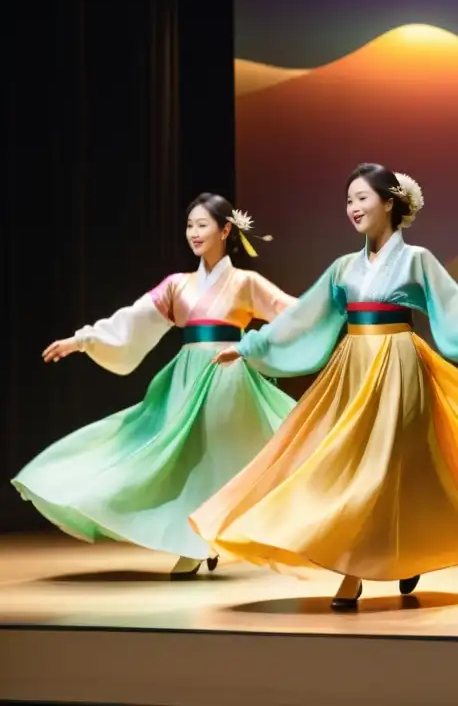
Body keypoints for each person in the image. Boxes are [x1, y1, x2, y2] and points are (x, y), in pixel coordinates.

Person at [191, 163, 458, 610]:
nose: (353, 207)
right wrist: (249, 347)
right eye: (349, 199)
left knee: (396, 469)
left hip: (399, 366)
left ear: (390, 203)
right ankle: (356, 563)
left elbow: (457, 306)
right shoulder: (343, 269)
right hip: (353, 366)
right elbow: (304, 317)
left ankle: (366, 565)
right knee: (345, 464)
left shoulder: (416, 260)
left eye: (362, 198)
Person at [12, 193, 296, 578]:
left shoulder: (245, 282)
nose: (193, 233)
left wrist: (253, 344)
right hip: (186, 377)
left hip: (227, 377)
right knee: (179, 459)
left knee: (223, 459)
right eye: (189, 225)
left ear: (225, 229)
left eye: (202, 225)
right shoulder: (179, 286)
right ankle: (198, 540)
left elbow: (289, 314)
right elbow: (132, 320)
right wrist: (81, 341)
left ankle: (206, 540)